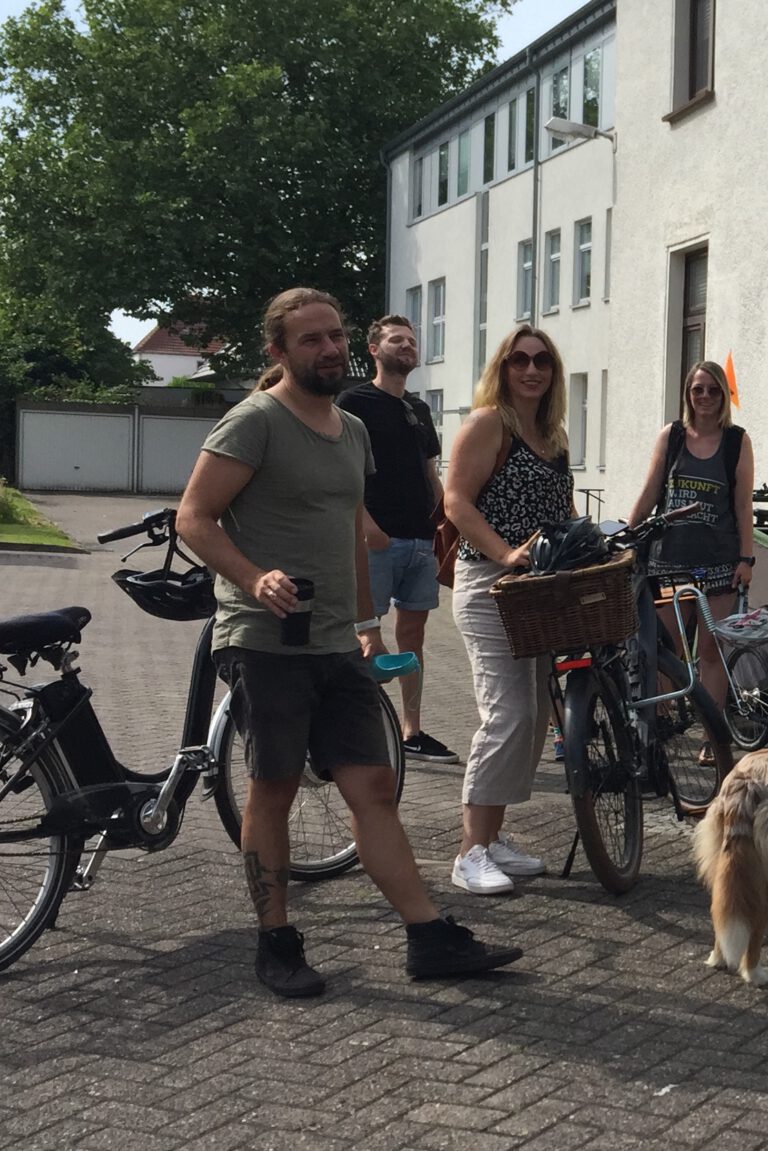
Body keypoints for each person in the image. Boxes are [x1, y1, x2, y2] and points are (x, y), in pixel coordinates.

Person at [176, 287, 521, 997]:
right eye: (311, 340)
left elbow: (352, 534)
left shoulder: (352, 429)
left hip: (335, 641)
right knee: (272, 790)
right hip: (265, 639)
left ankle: (427, 936)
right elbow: (195, 518)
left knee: (373, 789)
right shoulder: (254, 424)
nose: (329, 349)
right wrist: (254, 576)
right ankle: (276, 940)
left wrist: (368, 628)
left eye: (334, 336)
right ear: (279, 352)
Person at [442, 324, 575, 895]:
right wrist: (504, 553)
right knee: (507, 716)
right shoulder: (487, 422)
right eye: (519, 359)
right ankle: (469, 851)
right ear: (502, 367)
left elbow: (561, 507)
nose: (531, 369)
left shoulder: (552, 435)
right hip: (490, 584)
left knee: (534, 720)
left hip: (537, 591)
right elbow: (454, 500)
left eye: (541, 360)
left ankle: (493, 840)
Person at [337, 314, 457, 763]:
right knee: (362, 637)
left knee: (413, 637)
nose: (406, 346)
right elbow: (343, 471)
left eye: (411, 340)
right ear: (374, 349)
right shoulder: (353, 402)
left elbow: (430, 471)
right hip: (376, 542)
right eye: (395, 340)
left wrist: (446, 520)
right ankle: (358, 731)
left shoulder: (418, 408)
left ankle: (412, 731)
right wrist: (365, 524)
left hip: (421, 542)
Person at [628, 360, 755, 733]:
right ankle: (664, 726)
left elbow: (742, 505)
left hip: (719, 562)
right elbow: (652, 490)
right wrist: (628, 534)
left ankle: (712, 734)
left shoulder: (737, 441)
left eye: (713, 390)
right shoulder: (672, 436)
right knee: (667, 651)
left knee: (711, 652)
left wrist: (747, 558)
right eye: (697, 389)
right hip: (669, 561)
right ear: (688, 393)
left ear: (723, 396)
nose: (704, 397)